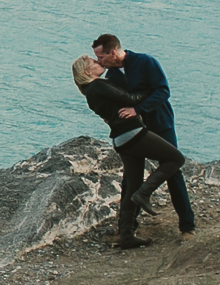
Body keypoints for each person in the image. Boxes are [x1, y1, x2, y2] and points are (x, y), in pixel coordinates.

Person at [72, 55, 185, 249]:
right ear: (87, 72)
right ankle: (145, 193)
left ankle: (125, 235)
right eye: (94, 63)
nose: (99, 63)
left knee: (132, 183)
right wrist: (150, 90)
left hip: (120, 138)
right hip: (132, 133)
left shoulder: (89, 92)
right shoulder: (98, 85)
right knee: (175, 158)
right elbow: (129, 99)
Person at [93, 34, 196, 238]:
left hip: (160, 123)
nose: (98, 61)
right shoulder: (111, 77)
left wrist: (137, 109)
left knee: (173, 171)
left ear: (113, 52)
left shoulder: (145, 62)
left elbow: (163, 91)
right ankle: (129, 227)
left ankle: (187, 226)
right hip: (133, 131)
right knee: (132, 178)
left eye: (101, 57)